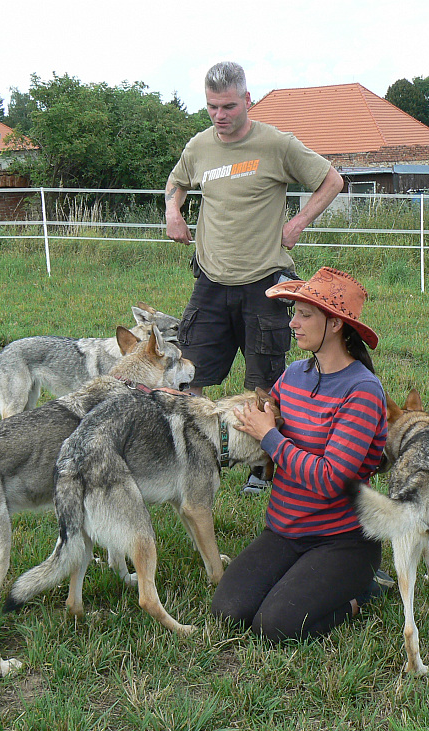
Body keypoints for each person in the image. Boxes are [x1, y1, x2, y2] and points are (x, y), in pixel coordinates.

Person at [165, 61, 345, 494]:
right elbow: (177, 182)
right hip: (210, 278)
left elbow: (332, 180)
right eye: (212, 107)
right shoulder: (200, 146)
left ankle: (260, 465)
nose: (219, 116)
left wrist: (299, 221)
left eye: (228, 106)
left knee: (263, 380)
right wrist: (173, 212)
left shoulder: (276, 144)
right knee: (190, 375)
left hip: (265, 280)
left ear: (247, 100)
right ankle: (192, 456)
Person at [210, 267, 392, 643]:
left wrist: (271, 437)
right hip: (285, 530)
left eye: (305, 314)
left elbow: (330, 480)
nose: (293, 323)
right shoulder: (293, 374)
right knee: (228, 611)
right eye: (295, 312)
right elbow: (259, 410)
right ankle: (306, 576)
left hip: (342, 541)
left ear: (336, 324)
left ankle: (363, 591)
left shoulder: (362, 391)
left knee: (275, 626)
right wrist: (193, 410)